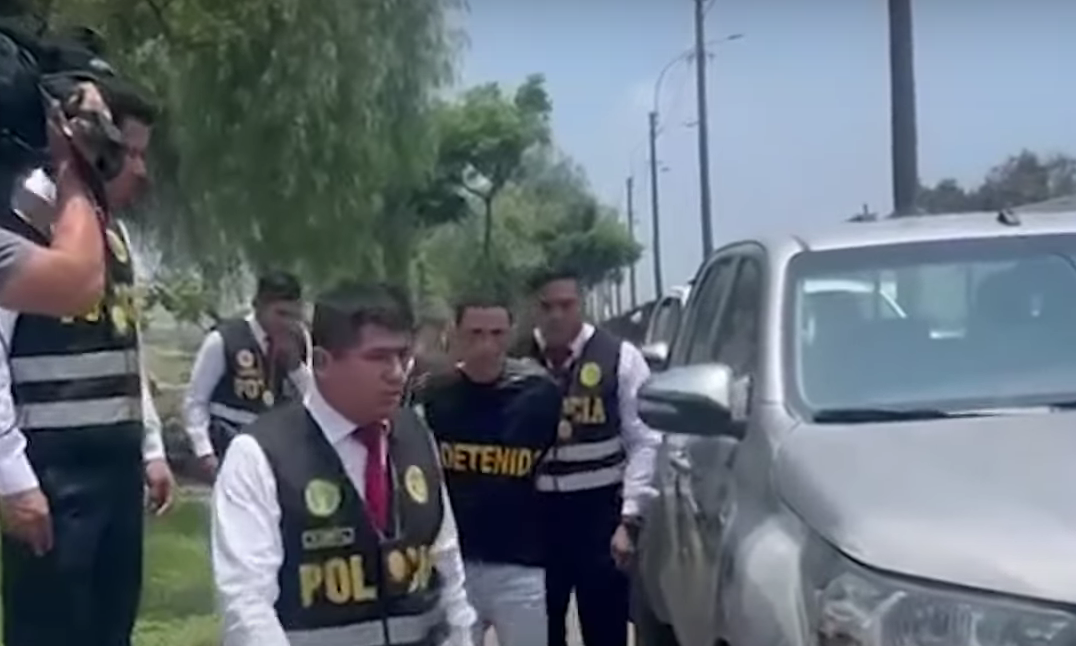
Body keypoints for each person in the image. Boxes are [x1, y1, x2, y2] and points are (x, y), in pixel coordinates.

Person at [0, 89, 176, 646]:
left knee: (109, 628)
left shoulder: (111, 234)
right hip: (53, 472)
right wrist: (12, 476)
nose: (141, 171)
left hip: (115, 468)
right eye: (129, 153)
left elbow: (125, 342)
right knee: (52, 629)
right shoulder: (23, 217)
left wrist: (150, 447)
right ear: (87, 143)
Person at [211, 280, 477, 646]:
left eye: (403, 356)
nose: (396, 372)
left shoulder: (416, 436)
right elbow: (246, 605)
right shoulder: (260, 455)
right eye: (378, 357)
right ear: (322, 362)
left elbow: (446, 566)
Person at [516, 268, 660, 646]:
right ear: (534, 309)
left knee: (606, 628)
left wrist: (630, 519)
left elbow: (644, 440)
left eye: (566, 305)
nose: (556, 315)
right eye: (547, 306)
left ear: (582, 304)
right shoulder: (516, 361)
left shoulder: (620, 358)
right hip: (534, 519)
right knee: (540, 632)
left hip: (599, 518)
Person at [415, 295, 562, 646]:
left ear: (511, 333)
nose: (486, 345)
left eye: (497, 334)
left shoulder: (541, 393)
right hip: (454, 566)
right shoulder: (432, 394)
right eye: (475, 333)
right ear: (456, 333)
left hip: (520, 563)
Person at [182, 271, 309, 476]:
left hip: (277, 451)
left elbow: (312, 398)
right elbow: (196, 400)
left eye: (294, 316)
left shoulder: (299, 340)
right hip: (229, 444)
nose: (287, 323)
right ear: (258, 305)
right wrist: (204, 452)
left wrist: (295, 367)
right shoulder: (224, 339)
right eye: (281, 314)